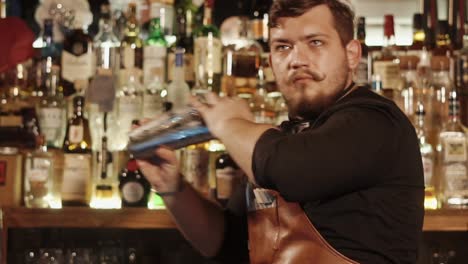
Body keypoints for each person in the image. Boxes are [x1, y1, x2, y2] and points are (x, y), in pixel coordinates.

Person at [136, 0, 424, 263]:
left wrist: (228, 124)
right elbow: (225, 243)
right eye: (283, 47)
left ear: (352, 54)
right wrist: (172, 188)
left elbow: (291, 172)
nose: (297, 59)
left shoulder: (376, 122)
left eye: (315, 42)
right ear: (271, 61)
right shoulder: (286, 139)